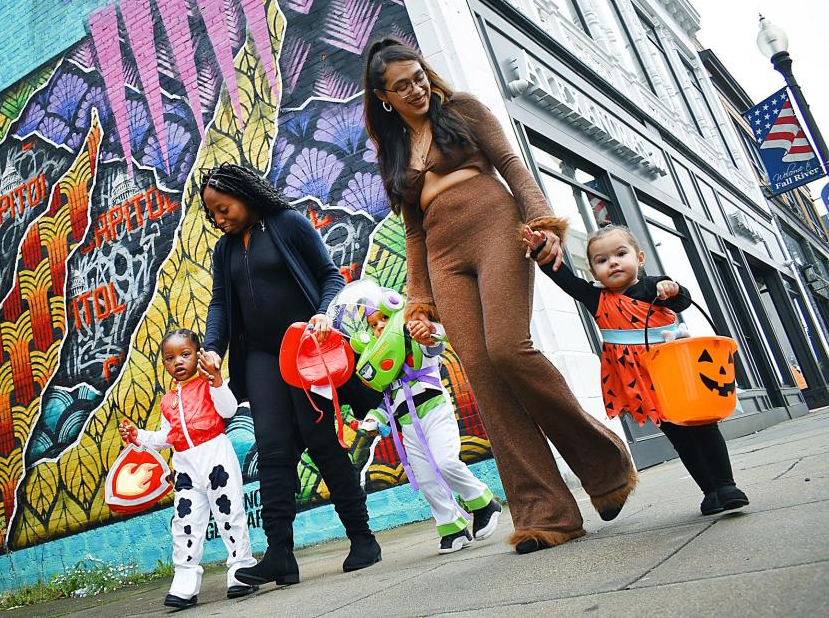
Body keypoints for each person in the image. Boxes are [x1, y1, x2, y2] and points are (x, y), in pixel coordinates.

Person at [362, 37, 638, 554]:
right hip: (444, 255)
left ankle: (605, 465)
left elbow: (511, 164)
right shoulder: (393, 151)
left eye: (419, 77)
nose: (417, 89)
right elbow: (414, 232)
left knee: (508, 350)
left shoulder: (462, 110)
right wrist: (419, 302)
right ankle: (545, 514)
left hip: (495, 228)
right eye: (402, 87)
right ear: (384, 97)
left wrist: (541, 222)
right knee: (484, 379)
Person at [198, 163, 381, 586]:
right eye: (213, 215)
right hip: (261, 357)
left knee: (320, 441)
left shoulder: (288, 224)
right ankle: (280, 554)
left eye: (223, 209)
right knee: (273, 449)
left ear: (244, 195)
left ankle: (362, 538)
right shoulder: (225, 250)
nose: (220, 220)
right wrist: (212, 349)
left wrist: (323, 314)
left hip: (304, 350)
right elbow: (221, 305)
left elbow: (329, 275)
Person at [522, 223, 749, 515]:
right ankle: (710, 491)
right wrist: (542, 251)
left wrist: (674, 288)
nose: (612, 262)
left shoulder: (653, 286)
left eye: (620, 254)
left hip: (675, 373)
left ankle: (727, 485)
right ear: (593, 272)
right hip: (641, 382)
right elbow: (565, 280)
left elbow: (682, 300)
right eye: (601, 261)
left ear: (639, 258)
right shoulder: (597, 298)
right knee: (680, 437)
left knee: (704, 427)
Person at [356, 288, 503, 554]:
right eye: (373, 325)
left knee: (446, 462)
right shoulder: (385, 368)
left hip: (434, 409)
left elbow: (437, 342)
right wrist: (372, 420)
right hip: (408, 425)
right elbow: (384, 404)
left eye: (383, 320)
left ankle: (483, 502)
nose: (379, 328)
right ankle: (452, 527)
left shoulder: (414, 339)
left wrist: (426, 332)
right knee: (425, 479)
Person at [118, 329, 257, 609]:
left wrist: (217, 380)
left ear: (198, 355)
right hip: (184, 465)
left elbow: (229, 411)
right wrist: (138, 435)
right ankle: (185, 579)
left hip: (215, 455)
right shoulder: (167, 401)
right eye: (170, 358)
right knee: (185, 522)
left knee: (229, 513)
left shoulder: (209, 384)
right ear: (164, 364)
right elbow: (166, 438)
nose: (178, 362)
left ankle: (241, 569)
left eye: (185, 354)